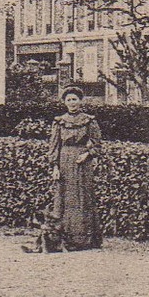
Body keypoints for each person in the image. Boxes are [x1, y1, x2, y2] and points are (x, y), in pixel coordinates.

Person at [26, 87, 103, 252]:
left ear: (80, 101)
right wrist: (55, 166)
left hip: (82, 163)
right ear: (64, 102)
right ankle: (62, 238)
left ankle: (84, 239)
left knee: (82, 197)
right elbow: (54, 146)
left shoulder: (89, 121)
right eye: (69, 100)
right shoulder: (59, 121)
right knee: (64, 198)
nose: (72, 103)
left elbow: (97, 144)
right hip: (64, 162)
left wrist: (87, 155)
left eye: (75, 99)